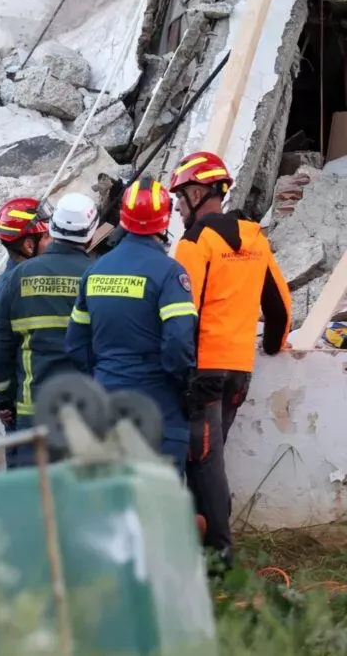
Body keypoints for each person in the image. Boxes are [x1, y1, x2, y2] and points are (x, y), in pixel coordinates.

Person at [169, 151, 292, 567]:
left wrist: (179, 365)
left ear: (199, 191)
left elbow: (183, 312)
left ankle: (221, 554)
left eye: (181, 197)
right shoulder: (256, 238)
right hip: (238, 370)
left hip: (203, 371)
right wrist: (274, 346)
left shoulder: (195, 242)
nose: (179, 207)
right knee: (211, 456)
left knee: (204, 460)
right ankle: (199, 539)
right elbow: (279, 307)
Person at [65, 177, 198, 473]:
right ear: (164, 224)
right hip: (158, 405)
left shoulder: (95, 271)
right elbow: (178, 343)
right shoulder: (171, 274)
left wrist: (104, 373)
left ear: (123, 219)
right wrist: (179, 383)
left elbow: (75, 343)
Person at [0, 192, 98, 466]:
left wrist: (1, 399)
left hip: (32, 412)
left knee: (29, 499)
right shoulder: (100, 276)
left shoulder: (16, 278)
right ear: (91, 236)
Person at [0, 197, 52, 428]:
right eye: (45, 236)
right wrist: (2, 401)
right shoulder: (12, 288)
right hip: (20, 409)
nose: (51, 242)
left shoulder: (13, 283)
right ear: (28, 246)